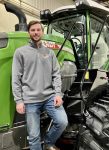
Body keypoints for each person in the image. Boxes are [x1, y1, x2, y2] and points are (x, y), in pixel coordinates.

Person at [12, 20, 68, 150]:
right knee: (33, 136)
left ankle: (48, 143)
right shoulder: (20, 52)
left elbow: (56, 75)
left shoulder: (50, 53)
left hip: (49, 97)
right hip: (30, 100)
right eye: (33, 30)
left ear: (42, 32)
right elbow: (16, 78)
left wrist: (58, 94)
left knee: (62, 122)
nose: (36, 32)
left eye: (38, 30)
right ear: (28, 33)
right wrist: (18, 100)